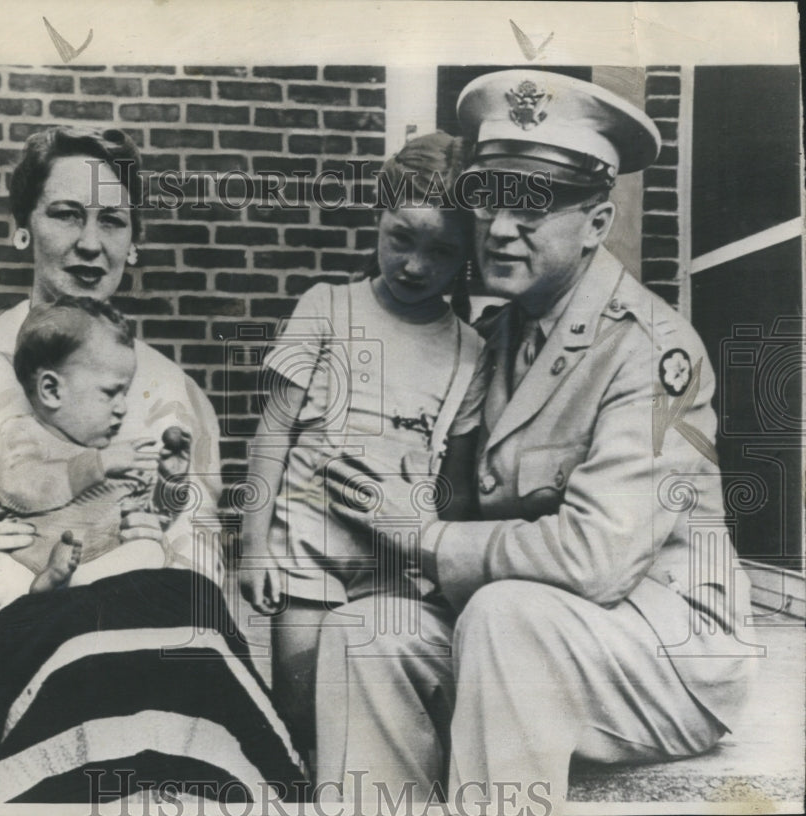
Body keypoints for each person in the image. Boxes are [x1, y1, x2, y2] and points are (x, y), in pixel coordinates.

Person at [316, 70, 755, 814]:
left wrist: (424, 537)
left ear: (597, 222)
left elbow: (595, 560)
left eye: (536, 206)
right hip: (535, 631)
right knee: (365, 629)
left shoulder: (647, 351)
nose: (500, 227)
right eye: (488, 199)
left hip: (664, 656)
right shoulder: (494, 333)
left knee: (504, 616)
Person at [0, 126, 303, 803]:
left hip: (137, 633)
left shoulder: (173, 391)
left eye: (113, 221)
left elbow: (195, 548)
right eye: (66, 213)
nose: (91, 243)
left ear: (134, 242)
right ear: (22, 227)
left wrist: (152, 525)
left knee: (181, 615)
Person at [238, 132, 484, 766]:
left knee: (368, 714)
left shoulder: (470, 350)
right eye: (401, 238)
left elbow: (455, 484)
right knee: (299, 710)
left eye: (441, 251)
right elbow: (273, 431)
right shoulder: (326, 307)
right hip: (305, 550)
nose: (415, 265)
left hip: (395, 565)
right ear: (379, 215)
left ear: (467, 256)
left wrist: (434, 552)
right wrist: (253, 545)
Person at [0, 296, 193, 721]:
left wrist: (171, 480)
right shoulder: (21, 435)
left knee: (151, 553)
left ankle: (66, 610)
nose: (122, 407)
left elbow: (149, 515)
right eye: (110, 392)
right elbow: (21, 490)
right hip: (24, 570)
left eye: (125, 393)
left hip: (94, 576)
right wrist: (97, 465)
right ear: (51, 389)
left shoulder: (115, 454)